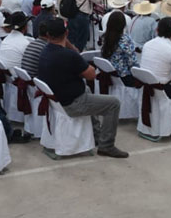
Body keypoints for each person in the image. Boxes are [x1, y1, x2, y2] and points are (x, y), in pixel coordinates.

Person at [38, 19, 129, 157]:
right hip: (73, 103)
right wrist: (72, 49)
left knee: (87, 90)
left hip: (57, 100)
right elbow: (91, 75)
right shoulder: (69, 56)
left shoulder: (44, 52)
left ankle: (97, 134)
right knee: (113, 104)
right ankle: (107, 145)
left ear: (48, 35)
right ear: (66, 33)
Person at [100, 11, 138, 87]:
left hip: (110, 72)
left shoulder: (104, 37)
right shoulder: (125, 39)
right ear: (123, 25)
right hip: (124, 76)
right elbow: (132, 62)